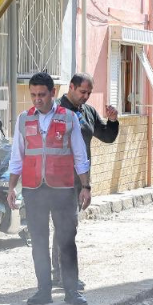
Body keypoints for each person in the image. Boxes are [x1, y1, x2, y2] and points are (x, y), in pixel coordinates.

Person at [8, 72, 92, 305]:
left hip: (63, 189)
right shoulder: (24, 119)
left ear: (52, 93)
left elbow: (80, 155)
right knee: (38, 241)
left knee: (67, 240)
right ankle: (43, 291)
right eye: (33, 95)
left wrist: (85, 186)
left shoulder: (68, 118)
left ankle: (71, 292)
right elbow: (17, 156)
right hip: (34, 189)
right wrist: (11, 187)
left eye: (42, 95)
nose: (37, 99)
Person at [52, 72, 120, 291]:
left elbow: (106, 137)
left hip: (79, 181)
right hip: (58, 180)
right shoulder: (55, 111)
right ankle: (66, 277)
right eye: (83, 92)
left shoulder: (88, 112)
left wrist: (112, 121)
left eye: (89, 93)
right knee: (67, 228)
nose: (86, 97)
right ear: (71, 87)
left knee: (67, 227)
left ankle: (59, 274)